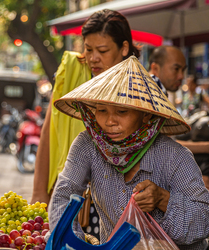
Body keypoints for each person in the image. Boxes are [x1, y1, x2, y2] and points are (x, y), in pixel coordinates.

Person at [49, 56, 209, 250]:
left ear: (145, 115)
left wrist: (163, 200)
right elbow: (63, 197)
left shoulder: (175, 157)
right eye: (102, 110)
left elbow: (206, 219)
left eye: (122, 111)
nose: (110, 121)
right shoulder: (88, 144)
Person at [31, 9, 140, 205]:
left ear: (124, 48)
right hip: (66, 190)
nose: (93, 58)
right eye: (88, 49)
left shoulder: (139, 87)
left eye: (103, 51)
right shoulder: (72, 70)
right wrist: (39, 193)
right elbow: (48, 133)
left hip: (116, 200)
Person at [149, 46, 209, 207]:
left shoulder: (165, 93)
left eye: (183, 70)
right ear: (155, 68)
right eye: (176, 69)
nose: (181, 76)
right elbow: (160, 147)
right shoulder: (152, 94)